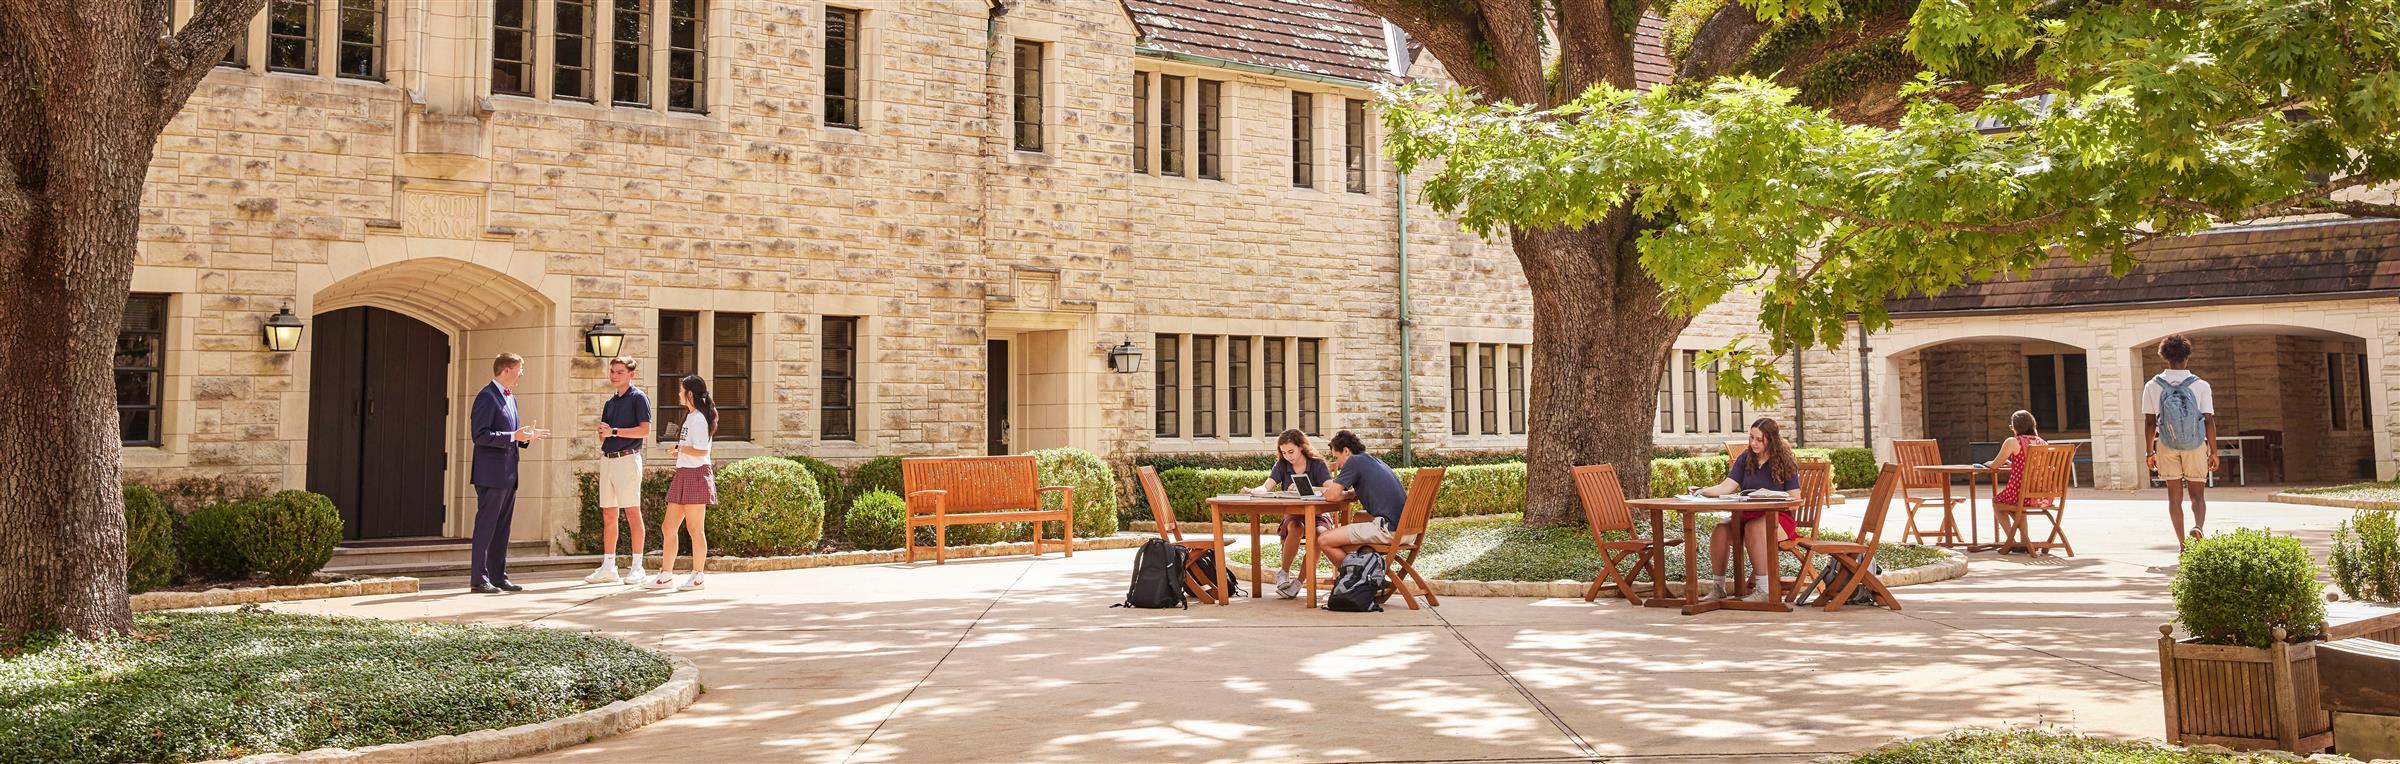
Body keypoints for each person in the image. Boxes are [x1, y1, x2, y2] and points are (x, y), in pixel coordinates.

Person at [1693, 417, 1800, 603]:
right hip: (1747, 516)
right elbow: (1726, 487)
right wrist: (1702, 491)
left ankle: (1764, 590)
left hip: (1779, 520)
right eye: (1751, 437)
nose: (1753, 443)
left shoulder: (1785, 460)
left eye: (1759, 439)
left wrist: (1773, 498)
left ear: (1771, 440)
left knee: (1754, 527)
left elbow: (1795, 499)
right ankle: (1718, 588)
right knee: (1720, 530)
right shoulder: (1746, 457)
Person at [469, 353, 548, 594]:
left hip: (509, 474)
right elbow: (480, 435)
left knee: (502, 528)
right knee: (486, 527)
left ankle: (498, 576)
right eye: (519, 369)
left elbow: (512, 435)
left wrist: (525, 437)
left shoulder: (511, 398)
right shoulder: (486, 397)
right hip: (490, 474)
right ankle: (479, 579)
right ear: (506, 370)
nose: (522, 374)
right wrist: (514, 436)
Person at [1240, 429, 1335, 599]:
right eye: (1284, 453)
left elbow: (1331, 488)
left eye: (1291, 451)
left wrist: (1311, 489)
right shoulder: (1282, 465)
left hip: (1319, 514)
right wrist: (1252, 491)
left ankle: (1298, 583)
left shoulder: (1317, 464)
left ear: (1301, 447)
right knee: (1296, 527)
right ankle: (1283, 573)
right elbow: (1267, 486)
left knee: (1320, 535)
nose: (1288, 456)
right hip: (1295, 514)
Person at [1314, 431, 1409, 598]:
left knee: (1324, 540)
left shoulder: (1354, 462)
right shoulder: (1373, 461)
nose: (1338, 463)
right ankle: (1368, 576)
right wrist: (1349, 494)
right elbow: (1357, 492)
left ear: (1346, 451)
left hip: (1388, 530)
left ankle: (1361, 580)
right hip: (1406, 530)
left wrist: (1338, 493)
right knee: (1357, 519)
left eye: (1337, 457)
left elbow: (1332, 496)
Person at [2144, 334, 2217, 549]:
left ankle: (2183, 544)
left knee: (2174, 497)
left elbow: (2150, 422)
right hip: (2195, 444)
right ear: (2187, 356)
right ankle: (2198, 527)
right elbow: (2209, 420)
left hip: (2166, 444)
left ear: (2164, 356)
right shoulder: (2201, 385)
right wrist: (2213, 451)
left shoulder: (2152, 385)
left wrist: (2150, 452)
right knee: (2197, 495)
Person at [586, 356, 653, 586]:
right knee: (609, 514)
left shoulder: (639, 398)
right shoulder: (610, 402)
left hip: (627, 460)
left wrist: (614, 431)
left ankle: (637, 566)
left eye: (620, 372)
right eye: (612, 371)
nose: (614, 375)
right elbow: (605, 433)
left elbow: (645, 431)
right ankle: (608, 566)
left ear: (631, 374)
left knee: (632, 513)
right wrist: (604, 432)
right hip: (608, 460)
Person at [646, 374, 717, 592]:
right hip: (684, 473)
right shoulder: (690, 416)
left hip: (696, 474)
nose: (678, 393)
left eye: (681, 390)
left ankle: (698, 576)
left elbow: (702, 450)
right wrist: (680, 451)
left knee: (695, 529)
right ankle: (666, 575)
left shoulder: (699, 419)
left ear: (690, 394)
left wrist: (680, 449)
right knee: (668, 527)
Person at [1991, 410, 2052, 550]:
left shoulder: (2013, 442)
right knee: (2016, 505)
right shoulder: (2042, 442)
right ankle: (2025, 541)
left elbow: (1995, 465)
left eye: (2012, 426)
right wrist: (2013, 464)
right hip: (2042, 496)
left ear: (2016, 426)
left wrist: (1989, 464)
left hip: (2022, 496)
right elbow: (2034, 466)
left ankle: (2011, 542)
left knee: (1998, 502)